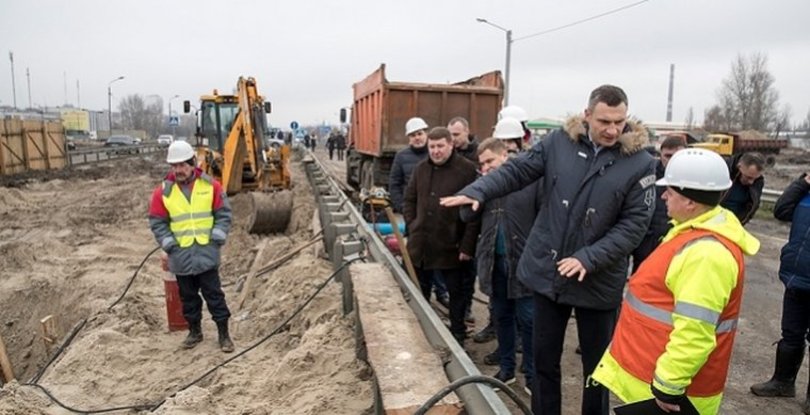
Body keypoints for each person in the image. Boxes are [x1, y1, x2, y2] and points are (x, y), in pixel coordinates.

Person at [441, 85, 656, 415]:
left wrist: (589, 257)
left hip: (597, 281)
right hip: (548, 274)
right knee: (543, 362)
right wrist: (479, 190)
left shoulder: (639, 162)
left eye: (619, 121)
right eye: (604, 121)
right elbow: (516, 171)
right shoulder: (559, 144)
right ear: (587, 116)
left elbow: (634, 225)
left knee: (596, 373)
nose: (612, 130)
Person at [591, 148, 760, 414]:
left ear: (690, 201)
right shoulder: (691, 234)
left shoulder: (706, 254)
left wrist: (667, 387)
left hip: (667, 397)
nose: (663, 196)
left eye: (670, 190)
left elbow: (695, 332)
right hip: (649, 381)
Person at [460, 137, 539, 395]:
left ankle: (530, 373)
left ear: (505, 154)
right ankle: (506, 371)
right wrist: (476, 194)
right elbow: (465, 216)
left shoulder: (529, 182)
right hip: (495, 265)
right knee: (502, 318)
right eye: (482, 164)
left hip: (524, 266)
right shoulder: (485, 186)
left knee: (528, 321)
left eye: (490, 161)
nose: (485, 168)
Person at [148, 141, 235, 353]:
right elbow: (157, 222)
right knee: (188, 298)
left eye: (183, 165)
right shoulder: (163, 193)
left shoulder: (210, 186)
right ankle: (195, 331)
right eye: (175, 166)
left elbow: (223, 214)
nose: (179, 170)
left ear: (193, 163)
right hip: (181, 255)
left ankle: (223, 334)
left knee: (214, 295)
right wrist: (169, 245)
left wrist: (217, 238)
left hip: (206, 253)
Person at [404, 127, 480, 344]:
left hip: (452, 246)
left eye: (440, 146)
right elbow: (409, 199)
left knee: (457, 296)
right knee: (419, 290)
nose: (435, 151)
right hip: (422, 245)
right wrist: (413, 223)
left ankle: (458, 335)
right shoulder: (421, 169)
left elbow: (475, 211)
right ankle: (420, 334)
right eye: (432, 147)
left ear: (450, 145)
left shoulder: (466, 170)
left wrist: (467, 246)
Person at [750, 172, 810, 414]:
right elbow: (781, 210)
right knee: (791, 334)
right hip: (797, 277)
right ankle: (783, 383)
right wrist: (802, 182)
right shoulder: (805, 194)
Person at [474, 117, 528, 347]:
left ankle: (519, 348)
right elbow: (471, 218)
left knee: (523, 311)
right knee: (500, 308)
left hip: (519, 254)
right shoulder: (486, 179)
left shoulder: (528, 176)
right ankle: (504, 346)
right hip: (495, 254)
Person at [631, 135, 686, 271]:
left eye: (677, 156)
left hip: (677, 242)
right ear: (660, 155)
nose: (672, 161)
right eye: (668, 156)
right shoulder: (647, 173)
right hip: (647, 242)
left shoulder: (693, 179)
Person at [389, 117, 429, 213]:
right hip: (411, 210)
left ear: (426, 134)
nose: (417, 138)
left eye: (420, 134)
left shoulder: (435, 154)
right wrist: (402, 207)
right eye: (413, 135)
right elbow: (394, 184)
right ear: (409, 138)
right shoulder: (401, 156)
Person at [720, 152, 765, 225]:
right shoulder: (722, 170)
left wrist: (739, 225)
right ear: (739, 166)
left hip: (732, 225)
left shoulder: (758, 182)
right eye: (748, 177)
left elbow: (752, 207)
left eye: (755, 178)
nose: (751, 182)